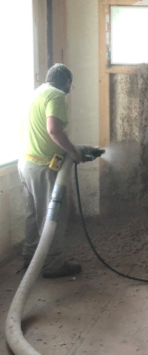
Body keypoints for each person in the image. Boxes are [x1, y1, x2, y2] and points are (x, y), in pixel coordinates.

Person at [18, 63, 83, 278]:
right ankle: (53, 263)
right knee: (53, 214)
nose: (68, 90)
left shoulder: (38, 92)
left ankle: (30, 259)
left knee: (33, 213)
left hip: (27, 163)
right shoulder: (56, 95)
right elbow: (54, 130)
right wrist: (74, 152)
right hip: (44, 166)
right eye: (69, 86)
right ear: (66, 82)